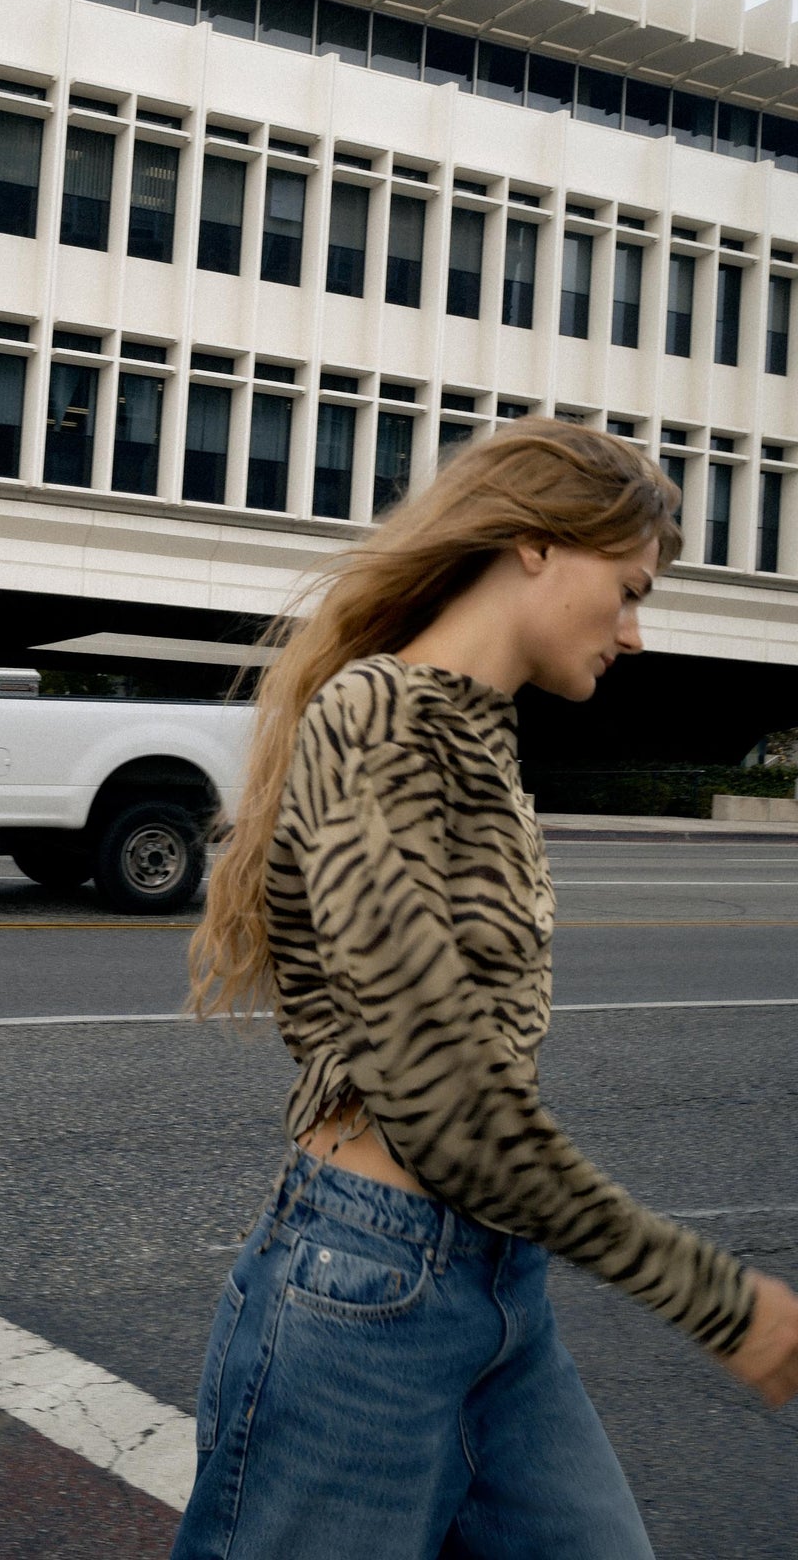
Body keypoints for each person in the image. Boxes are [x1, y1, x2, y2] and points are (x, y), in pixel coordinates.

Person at [172, 419, 798, 1560]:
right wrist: (715, 1295)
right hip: (366, 1284)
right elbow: (440, 1093)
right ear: (536, 545)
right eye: (628, 588)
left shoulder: (476, 735)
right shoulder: (379, 717)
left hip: (497, 1285)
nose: (636, 631)